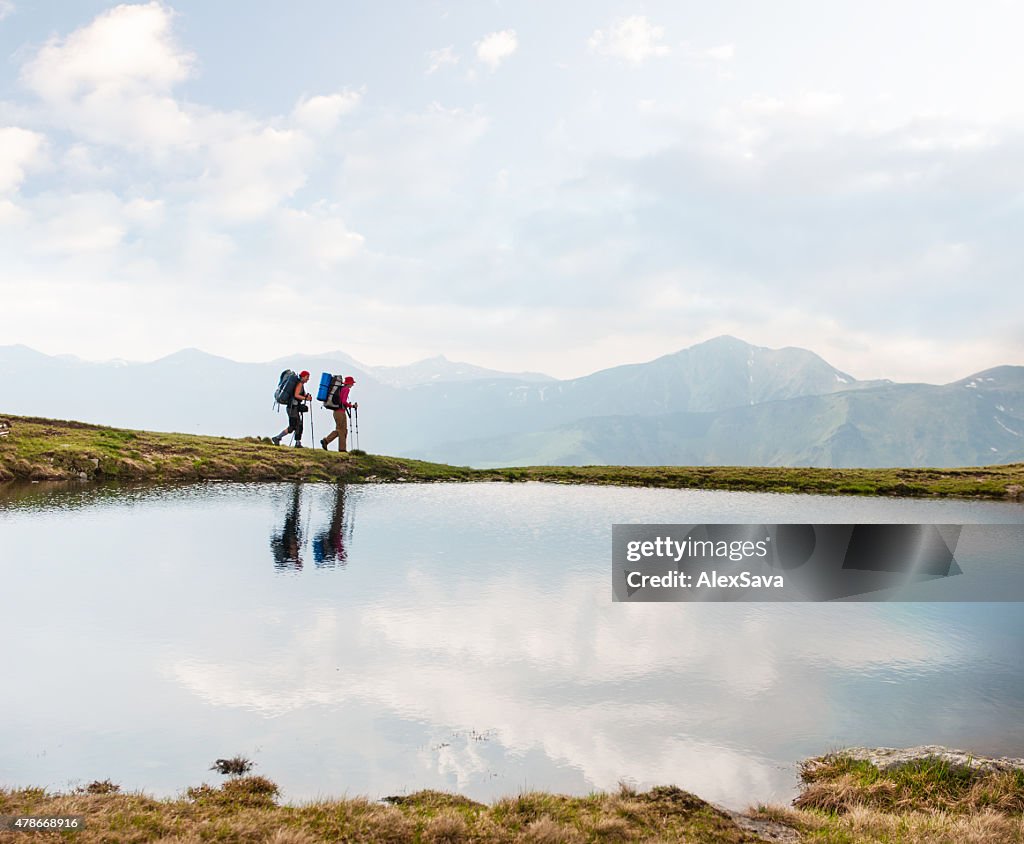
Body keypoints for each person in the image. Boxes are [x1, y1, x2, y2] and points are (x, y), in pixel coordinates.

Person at [272, 370, 312, 447]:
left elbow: (298, 394)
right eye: (307, 377)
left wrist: (305, 396)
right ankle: (277, 437)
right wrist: (306, 398)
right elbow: (296, 395)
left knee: (298, 425)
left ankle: (297, 442)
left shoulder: (299, 383)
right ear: (303, 376)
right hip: (293, 407)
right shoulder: (300, 384)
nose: (308, 379)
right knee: (293, 426)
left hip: (292, 407)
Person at [320, 375, 356, 452]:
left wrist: (348, 405)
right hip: (340, 412)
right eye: (352, 383)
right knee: (340, 430)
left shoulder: (342, 388)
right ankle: (327, 442)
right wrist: (351, 406)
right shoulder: (346, 389)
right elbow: (343, 401)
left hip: (338, 412)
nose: (352, 385)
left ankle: (341, 448)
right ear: (349, 383)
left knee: (343, 430)